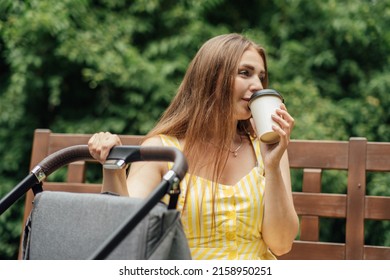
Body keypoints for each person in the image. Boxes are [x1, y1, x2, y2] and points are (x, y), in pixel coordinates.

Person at [88, 33, 299, 260]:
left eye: (261, 77)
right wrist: (113, 165)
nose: (257, 86)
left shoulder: (268, 150)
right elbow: (126, 233)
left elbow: (281, 244)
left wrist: (273, 165)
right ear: (211, 77)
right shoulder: (163, 151)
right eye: (244, 73)